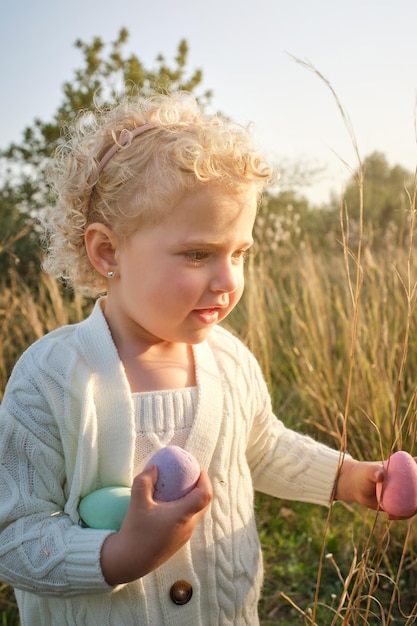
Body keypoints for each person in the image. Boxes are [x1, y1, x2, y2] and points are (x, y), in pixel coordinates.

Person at [0, 92, 412, 626]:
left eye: (239, 253)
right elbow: (16, 535)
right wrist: (119, 556)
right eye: (198, 254)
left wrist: (349, 477)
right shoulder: (52, 377)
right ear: (108, 252)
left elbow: (263, 448)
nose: (227, 280)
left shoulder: (230, 361)